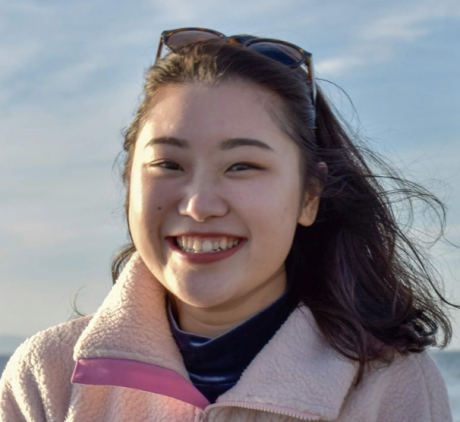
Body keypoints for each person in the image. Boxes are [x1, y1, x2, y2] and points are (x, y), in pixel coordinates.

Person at [0, 27, 454, 421]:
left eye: (242, 166)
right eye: (168, 164)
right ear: (129, 183)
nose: (199, 205)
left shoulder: (388, 384)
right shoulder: (47, 375)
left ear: (309, 195)